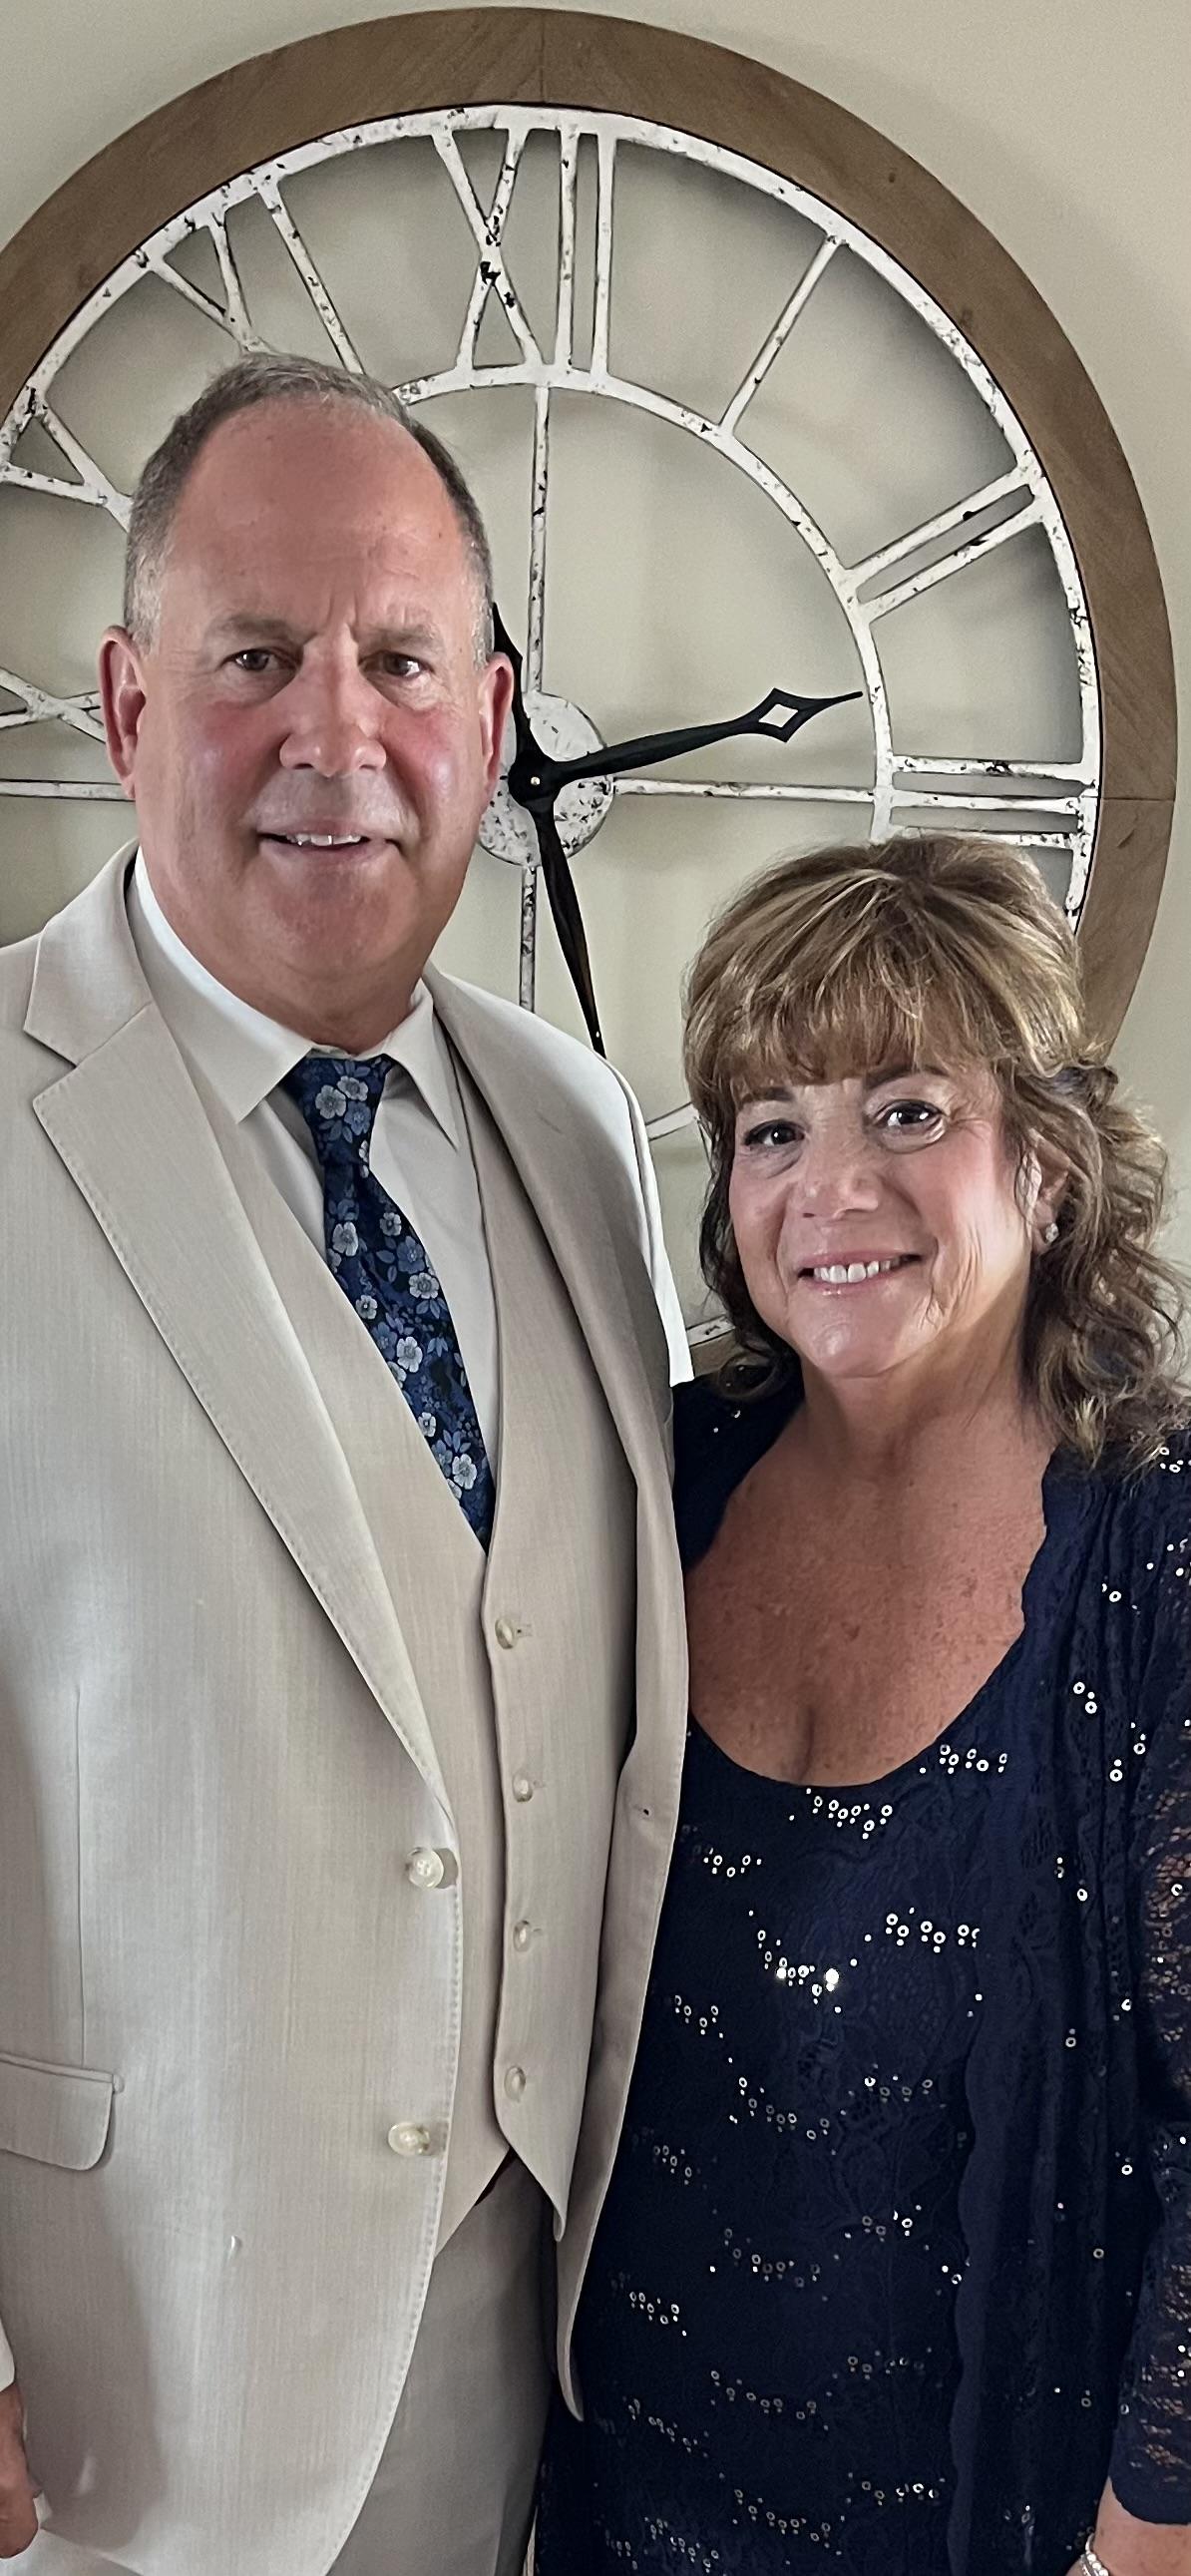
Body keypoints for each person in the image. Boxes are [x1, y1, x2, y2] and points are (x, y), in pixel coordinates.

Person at [0, 352, 691, 2576]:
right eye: (254, 659)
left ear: (487, 722)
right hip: (110, 2419)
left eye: (398, 661)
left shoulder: (575, 1130)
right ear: (128, 704)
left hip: (523, 2395)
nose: (335, 734)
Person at [538, 834, 1191, 2576]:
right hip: (615, 2509)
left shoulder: (1156, 1554)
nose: (831, 1186)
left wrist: (1135, 2555)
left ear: (1045, 1160)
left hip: (1013, 2528)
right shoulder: (655, 1478)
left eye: (906, 1110)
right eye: (772, 1127)